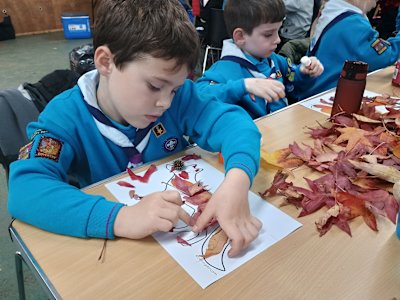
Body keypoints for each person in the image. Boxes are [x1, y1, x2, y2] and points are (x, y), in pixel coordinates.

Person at [7, 0, 262, 257]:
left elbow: (235, 124)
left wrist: (237, 181)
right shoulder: (63, 118)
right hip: (120, 252)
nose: (165, 102)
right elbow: (26, 189)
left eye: (174, 89)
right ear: (106, 62)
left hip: (177, 242)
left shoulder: (180, 97)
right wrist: (122, 217)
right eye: (153, 86)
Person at [196, 0, 324, 119]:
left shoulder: (274, 59)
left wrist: (304, 72)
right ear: (240, 36)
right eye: (268, 34)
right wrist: (243, 86)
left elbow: (293, 81)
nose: (278, 39)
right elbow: (198, 96)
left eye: (278, 31)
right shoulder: (224, 69)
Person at [296, 0, 400, 101]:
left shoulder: (333, 10)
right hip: (328, 94)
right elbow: (384, 56)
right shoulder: (353, 23)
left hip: (313, 90)